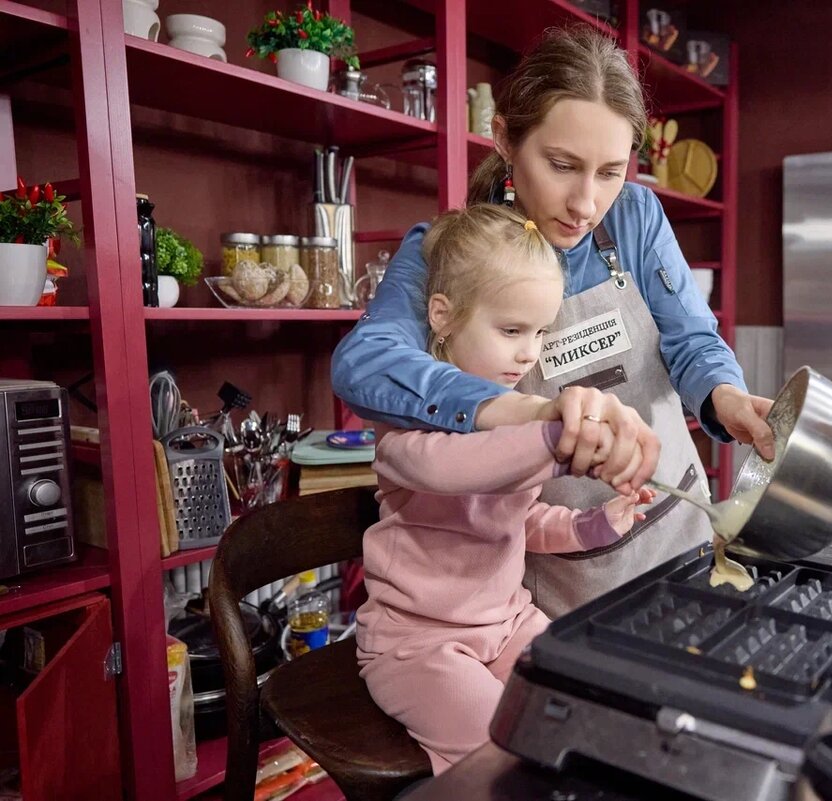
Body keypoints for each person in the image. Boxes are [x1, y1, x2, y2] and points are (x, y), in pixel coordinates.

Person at [333, 24, 774, 616]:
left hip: (678, 533)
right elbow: (366, 363)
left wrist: (726, 397)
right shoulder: (448, 250)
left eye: (610, 171)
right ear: (505, 140)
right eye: (562, 164)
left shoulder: (635, 218)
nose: (586, 203)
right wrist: (529, 412)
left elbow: (691, 338)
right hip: (558, 567)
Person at [356, 205, 654, 774]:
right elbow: (460, 470)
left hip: (510, 622)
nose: (529, 353)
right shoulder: (403, 424)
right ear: (442, 316)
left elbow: (520, 518)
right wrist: (559, 442)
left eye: (540, 332)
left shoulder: (518, 417)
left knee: (586, 707)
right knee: (508, 754)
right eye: (512, 330)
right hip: (419, 644)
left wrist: (596, 523)